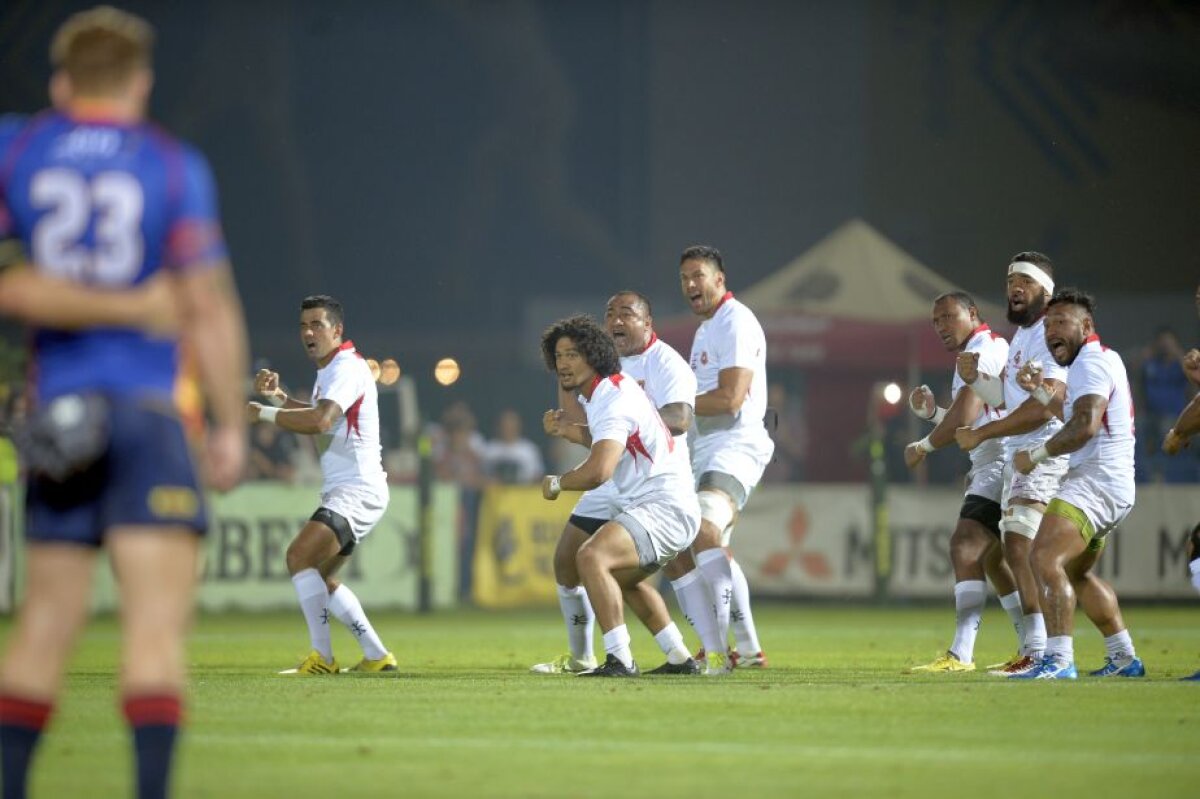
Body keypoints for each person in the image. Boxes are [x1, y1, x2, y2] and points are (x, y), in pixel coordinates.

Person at [0, 7, 249, 799]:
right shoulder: (172, 166)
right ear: (141, 82)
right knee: (153, 632)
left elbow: (12, 283)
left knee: (41, 630)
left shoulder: (19, 149)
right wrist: (230, 427)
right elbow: (206, 305)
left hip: (61, 419)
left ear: (61, 83)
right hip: (146, 416)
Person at [532, 291, 702, 675]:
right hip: (651, 502)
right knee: (620, 576)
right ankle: (679, 657)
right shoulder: (608, 391)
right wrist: (572, 431)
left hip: (664, 505)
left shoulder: (613, 394)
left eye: (573, 354)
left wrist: (558, 483)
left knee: (591, 557)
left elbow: (599, 471)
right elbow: (611, 440)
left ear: (594, 354)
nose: (564, 363)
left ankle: (619, 659)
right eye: (558, 356)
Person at [248, 295, 396, 675]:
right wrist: (279, 399)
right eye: (303, 326)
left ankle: (323, 659)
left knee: (299, 557)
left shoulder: (346, 367)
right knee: (322, 578)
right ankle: (377, 655)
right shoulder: (332, 369)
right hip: (353, 489)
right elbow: (320, 414)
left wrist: (264, 414)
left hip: (356, 489)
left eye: (317, 324)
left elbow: (319, 422)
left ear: (337, 330)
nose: (309, 332)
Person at [1012, 288, 1143, 679]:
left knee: (1042, 558)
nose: (1052, 329)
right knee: (1074, 573)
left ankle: (1059, 659)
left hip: (1096, 481)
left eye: (1061, 322)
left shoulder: (1090, 363)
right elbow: (1071, 411)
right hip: (1114, 484)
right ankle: (1124, 658)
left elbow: (1084, 426)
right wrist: (1038, 389)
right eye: (1048, 323)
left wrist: (1035, 456)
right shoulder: (1101, 359)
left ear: (1086, 326)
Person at [951, 252, 1067, 676]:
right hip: (1021, 453)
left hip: (1041, 449)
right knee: (1007, 551)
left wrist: (981, 433)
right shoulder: (1023, 337)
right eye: (1010, 280)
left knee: (1020, 546)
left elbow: (1046, 406)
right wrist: (976, 381)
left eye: (1025, 281)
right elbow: (1007, 399)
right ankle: (1046, 650)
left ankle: (1041, 651)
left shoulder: (1049, 335)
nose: (1015, 287)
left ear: (1045, 292)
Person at [663, 245, 773, 672]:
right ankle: (742, 649)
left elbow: (730, 399)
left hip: (736, 445)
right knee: (694, 545)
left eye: (698, 275)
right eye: (684, 278)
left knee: (704, 528)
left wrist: (670, 405)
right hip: (703, 450)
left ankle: (729, 647)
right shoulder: (708, 327)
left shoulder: (736, 321)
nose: (691, 284)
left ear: (719, 279)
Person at [902, 292, 1020, 672]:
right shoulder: (978, 350)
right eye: (936, 321)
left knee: (965, 547)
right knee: (993, 559)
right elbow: (975, 416)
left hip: (1000, 463)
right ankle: (1032, 646)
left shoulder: (982, 349)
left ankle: (962, 654)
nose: (941, 326)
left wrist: (922, 447)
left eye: (949, 317)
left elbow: (969, 412)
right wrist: (934, 413)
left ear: (973, 313)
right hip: (996, 460)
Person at [482, 408, 543, 485]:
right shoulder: (490, 449)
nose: (508, 427)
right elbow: (481, 475)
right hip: (496, 495)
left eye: (511, 424)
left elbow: (538, 477)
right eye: (505, 424)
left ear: (518, 425)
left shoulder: (529, 450)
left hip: (522, 494)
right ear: (499, 426)